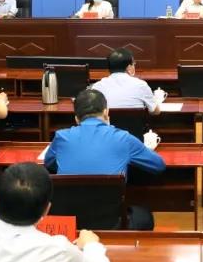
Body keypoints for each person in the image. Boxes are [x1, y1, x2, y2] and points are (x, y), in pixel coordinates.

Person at [44, 89, 164, 230]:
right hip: (112, 224)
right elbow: (159, 165)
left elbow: (49, 163)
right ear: (106, 112)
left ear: (76, 118)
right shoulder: (123, 138)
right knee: (144, 217)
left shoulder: (61, 137)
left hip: (70, 223)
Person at [91, 48, 160, 115]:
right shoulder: (141, 85)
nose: (134, 66)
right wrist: (156, 100)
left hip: (107, 123)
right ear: (129, 67)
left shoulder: (97, 87)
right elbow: (155, 111)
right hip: (134, 123)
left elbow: (92, 113)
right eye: (133, 64)